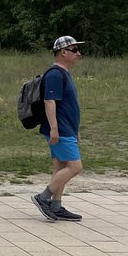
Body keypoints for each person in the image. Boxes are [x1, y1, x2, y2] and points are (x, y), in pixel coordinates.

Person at [31, 36, 85, 223]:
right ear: (63, 52)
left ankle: (56, 206)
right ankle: (43, 197)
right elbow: (49, 101)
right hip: (59, 130)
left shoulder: (64, 73)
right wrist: (54, 128)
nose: (79, 53)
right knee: (75, 166)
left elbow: (67, 105)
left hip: (66, 129)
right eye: (75, 49)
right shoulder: (54, 74)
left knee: (61, 166)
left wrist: (74, 128)